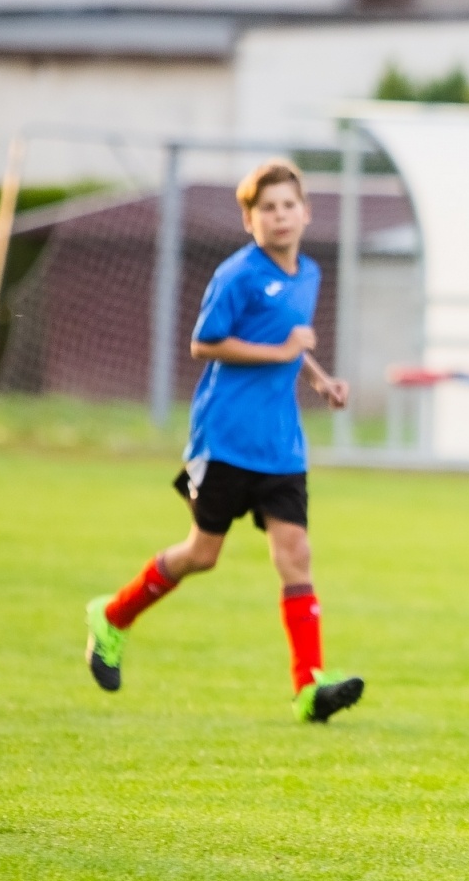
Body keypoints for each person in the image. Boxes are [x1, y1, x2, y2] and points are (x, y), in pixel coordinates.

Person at [83, 160, 366, 724]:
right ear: (249, 219)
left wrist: (318, 378)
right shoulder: (237, 274)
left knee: (297, 555)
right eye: (267, 208)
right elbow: (204, 344)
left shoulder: (307, 272)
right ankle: (112, 616)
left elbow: (286, 337)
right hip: (225, 438)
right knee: (201, 554)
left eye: (288, 205)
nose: (280, 216)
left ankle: (309, 688)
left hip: (281, 446)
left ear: (305, 213)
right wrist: (284, 352)